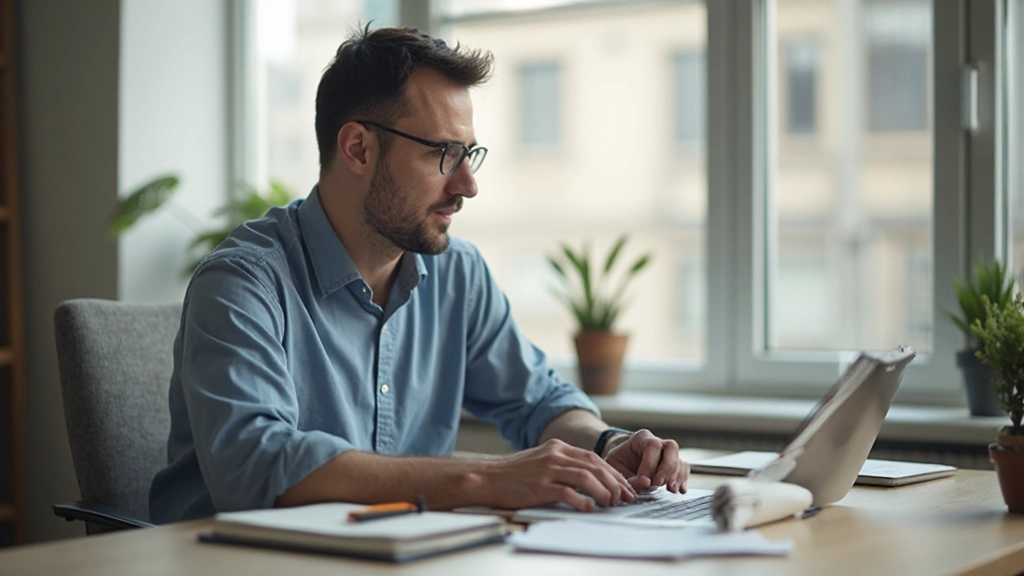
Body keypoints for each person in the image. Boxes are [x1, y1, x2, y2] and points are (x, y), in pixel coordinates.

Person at [149, 25, 688, 524]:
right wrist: (485, 477)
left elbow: (540, 402)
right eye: (444, 154)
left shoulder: (456, 273)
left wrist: (604, 443)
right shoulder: (244, 283)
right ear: (358, 147)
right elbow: (257, 466)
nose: (468, 185)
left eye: (469, 152)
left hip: (394, 553)